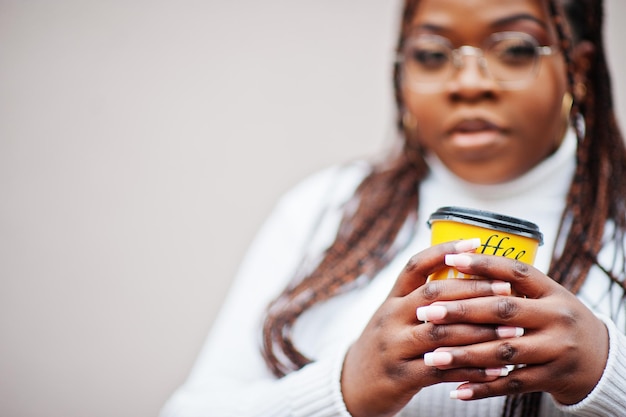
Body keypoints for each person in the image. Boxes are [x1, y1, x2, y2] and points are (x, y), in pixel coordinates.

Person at [160, 0, 626, 416]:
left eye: (515, 49)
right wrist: (346, 390)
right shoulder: (326, 207)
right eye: (432, 55)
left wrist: (607, 373)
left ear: (577, 67)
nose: (467, 83)